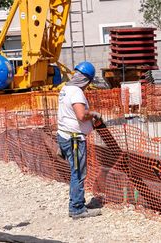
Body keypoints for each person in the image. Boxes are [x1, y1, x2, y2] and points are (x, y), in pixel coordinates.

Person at [57, 61, 103, 219]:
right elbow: (81, 115)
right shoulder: (76, 92)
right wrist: (94, 114)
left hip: (65, 135)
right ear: (87, 80)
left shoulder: (65, 89)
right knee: (78, 173)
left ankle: (77, 203)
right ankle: (77, 208)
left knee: (75, 172)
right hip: (74, 139)